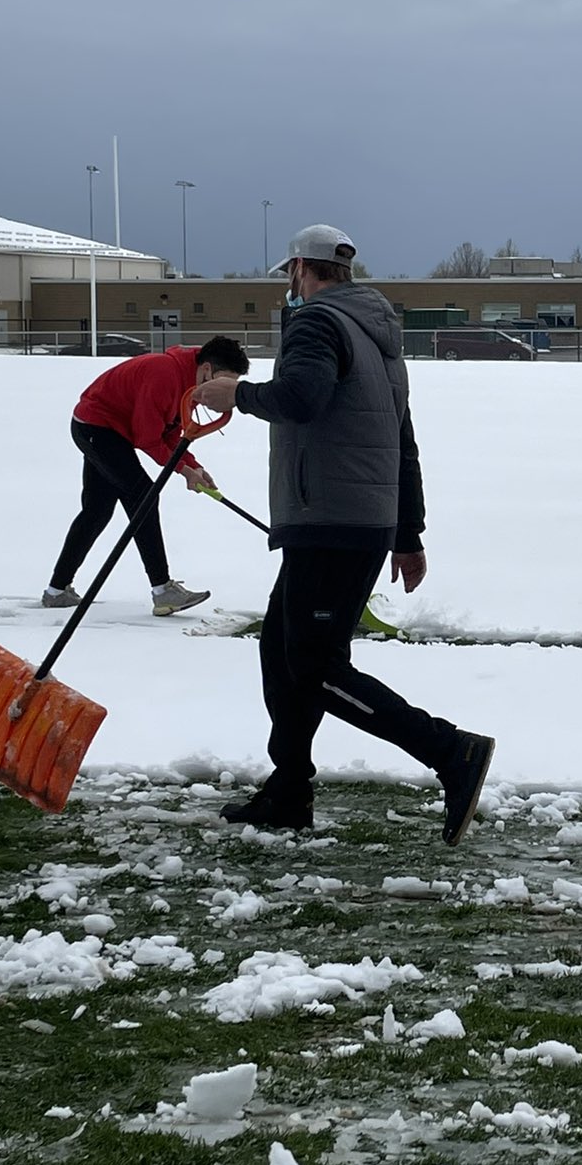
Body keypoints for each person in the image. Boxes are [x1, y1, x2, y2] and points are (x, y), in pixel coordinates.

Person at [193, 223, 494, 845]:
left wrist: (237, 392)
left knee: (314, 667)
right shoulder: (379, 335)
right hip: (357, 519)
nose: (289, 284)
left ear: (300, 269)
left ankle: (451, 751)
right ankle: (289, 789)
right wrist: (407, 531)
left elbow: (300, 399)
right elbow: (402, 439)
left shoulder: (315, 323)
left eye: (289, 274)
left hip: (329, 517)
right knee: (280, 648)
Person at [44, 336, 247, 616]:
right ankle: (163, 590)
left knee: (97, 512)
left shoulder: (189, 385)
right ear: (207, 369)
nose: (223, 390)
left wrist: (194, 467)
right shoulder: (164, 374)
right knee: (143, 497)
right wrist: (183, 470)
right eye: (222, 380)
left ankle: (56, 591)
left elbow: (171, 433)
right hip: (96, 427)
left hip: (113, 432)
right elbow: (148, 438)